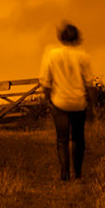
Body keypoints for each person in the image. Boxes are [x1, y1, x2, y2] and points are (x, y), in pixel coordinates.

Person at [39, 22, 94, 180]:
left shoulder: (52, 54)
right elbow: (90, 83)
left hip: (59, 102)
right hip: (78, 102)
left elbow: (45, 81)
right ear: (77, 37)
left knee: (62, 139)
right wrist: (92, 106)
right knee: (78, 138)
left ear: (60, 37)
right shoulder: (83, 56)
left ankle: (64, 173)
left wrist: (49, 99)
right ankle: (78, 172)